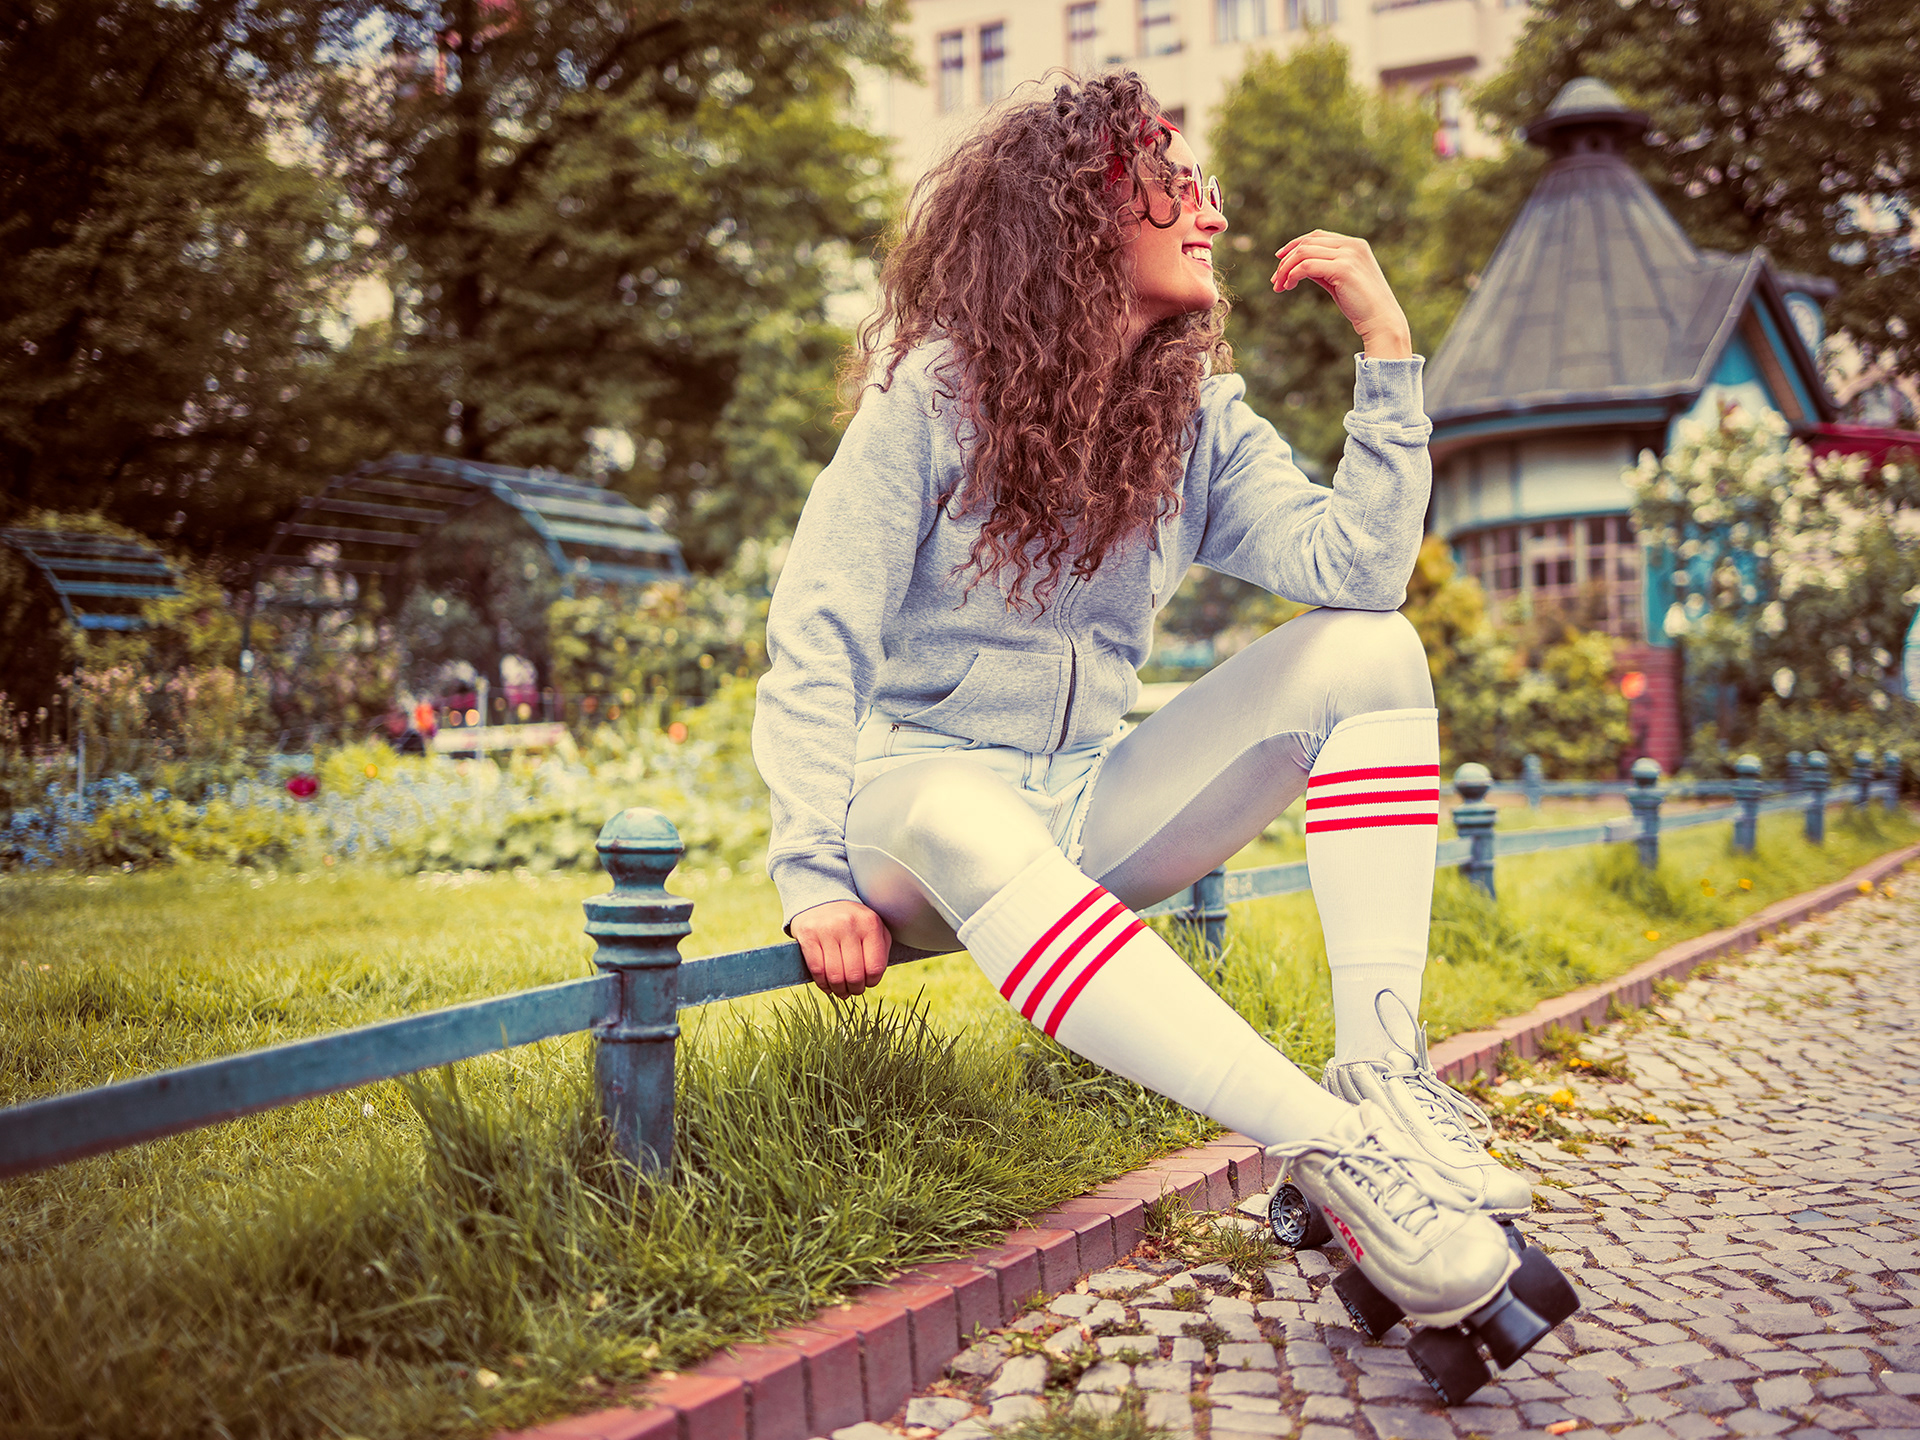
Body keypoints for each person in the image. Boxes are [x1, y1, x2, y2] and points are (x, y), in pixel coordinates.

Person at [752, 72, 1525, 1324]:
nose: (1211, 212)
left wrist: (1388, 354)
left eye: (1205, 185)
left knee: (1371, 653)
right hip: (915, 816)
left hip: (1084, 808)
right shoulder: (934, 393)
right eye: (1177, 181)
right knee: (960, 812)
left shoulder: (1190, 414)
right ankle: (1336, 1153)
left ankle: (1382, 1079)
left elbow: (1359, 573)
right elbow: (816, 635)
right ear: (1082, 209)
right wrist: (809, 875)